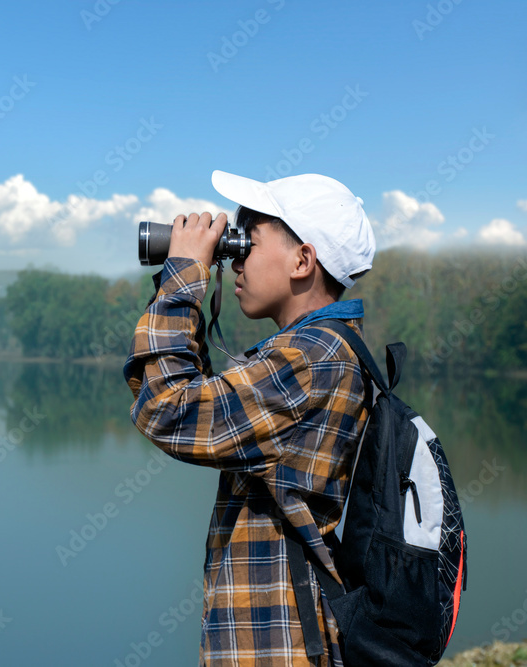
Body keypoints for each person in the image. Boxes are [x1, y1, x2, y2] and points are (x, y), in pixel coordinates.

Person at [123, 169, 377, 666]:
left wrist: (184, 277)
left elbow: (169, 410)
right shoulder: (313, 351)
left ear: (303, 259)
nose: (234, 259)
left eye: (248, 242)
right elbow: (203, 404)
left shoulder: (311, 360)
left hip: (281, 647)